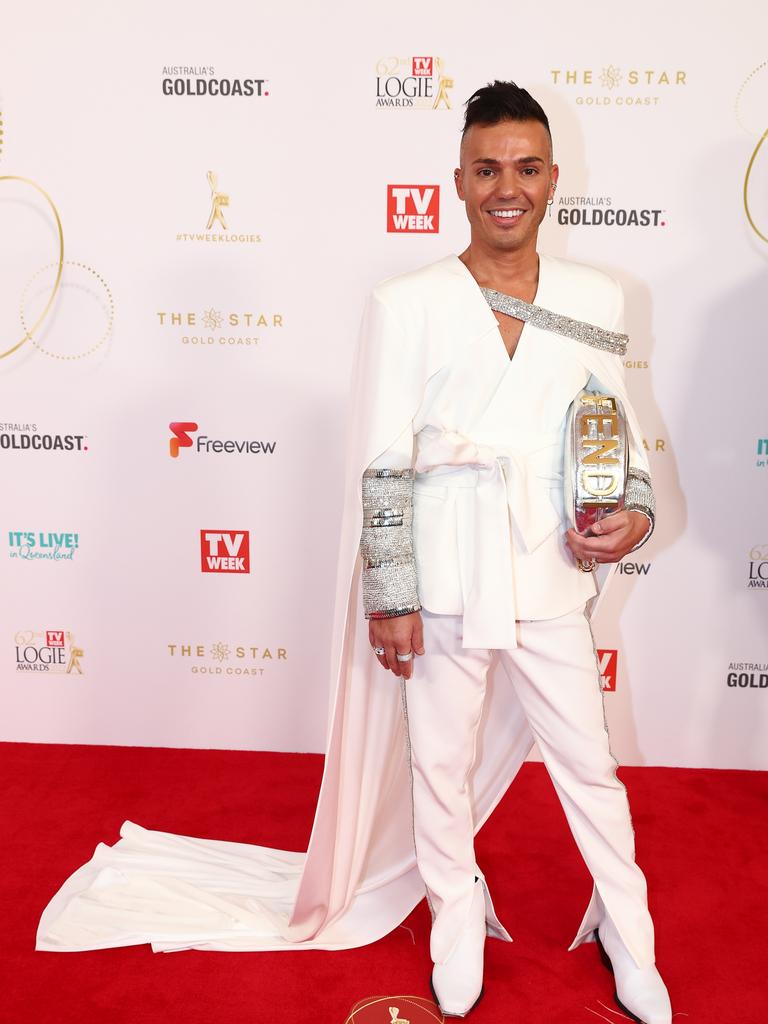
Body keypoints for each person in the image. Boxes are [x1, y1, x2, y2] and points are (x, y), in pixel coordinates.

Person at [36, 80, 670, 1024]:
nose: (509, 187)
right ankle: (456, 911)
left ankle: (629, 928)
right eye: (488, 169)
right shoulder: (407, 301)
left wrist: (640, 515)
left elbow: (613, 433)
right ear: (457, 181)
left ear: (552, 178)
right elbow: (382, 459)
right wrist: (393, 594)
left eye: (527, 168)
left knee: (589, 767)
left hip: (547, 568)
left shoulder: (592, 297)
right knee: (438, 766)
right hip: (446, 569)